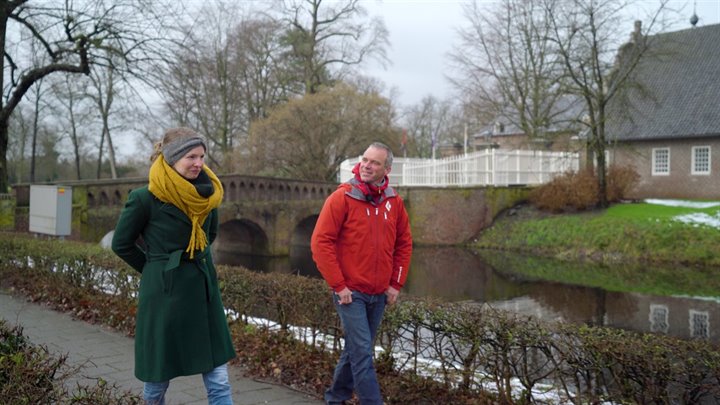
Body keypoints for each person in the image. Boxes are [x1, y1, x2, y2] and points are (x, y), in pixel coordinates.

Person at [111, 127, 235, 405]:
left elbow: (209, 235)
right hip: (164, 296)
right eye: (191, 156)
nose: (199, 164)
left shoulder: (207, 195)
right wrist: (156, 269)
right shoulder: (145, 198)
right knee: (157, 378)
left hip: (203, 291)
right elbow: (122, 244)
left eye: (202, 156)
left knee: (219, 378)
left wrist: (193, 259)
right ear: (171, 158)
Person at [311, 142, 413, 405]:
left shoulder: (394, 201)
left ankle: (336, 397)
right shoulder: (342, 197)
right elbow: (321, 243)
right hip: (350, 293)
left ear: (386, 168)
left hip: (379, 293)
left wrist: (396, 284)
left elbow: (403, 243)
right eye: (365, 160)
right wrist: (339, 285)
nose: (367, 165)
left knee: (356, 350)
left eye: (374, 162)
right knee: (363, 354)